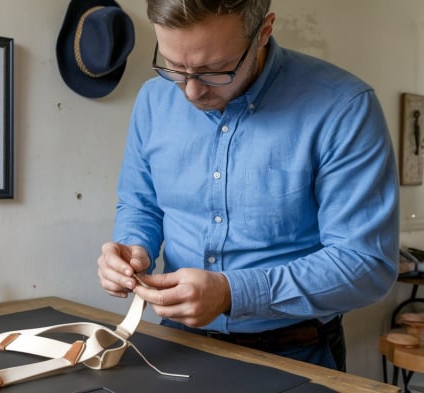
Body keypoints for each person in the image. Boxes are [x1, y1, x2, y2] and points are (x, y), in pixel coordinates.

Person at [97, 0, 399, 371]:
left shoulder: (344, 107)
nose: (190, 91)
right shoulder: (152, 100)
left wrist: (232, 294)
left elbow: (366, 263)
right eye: (174, 67)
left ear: (264, 31)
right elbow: (141, 205)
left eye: (215, 69)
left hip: (294, 353)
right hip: (175, 342)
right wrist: (131, 247)